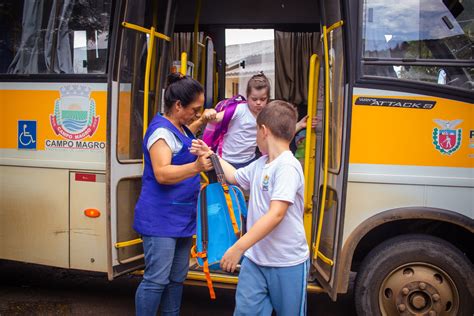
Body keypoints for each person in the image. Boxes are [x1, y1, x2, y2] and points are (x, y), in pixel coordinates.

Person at [191, 100, 309, 316]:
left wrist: (238, 248)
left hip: (287, 262)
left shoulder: (287, 167)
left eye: (255, 130)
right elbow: (235, 176)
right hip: (255, 260)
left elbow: (276, 214)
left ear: (263, 131)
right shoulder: (261, 164)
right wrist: (211, 154)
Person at [133, 73, 213, 316]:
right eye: (195, 109)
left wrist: (202, 124)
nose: (197, 115)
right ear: (178, 105)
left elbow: (187, 132)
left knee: (177, 278)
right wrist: (197, 167)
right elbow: (162, 173)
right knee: (156, 280)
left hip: (181, 218)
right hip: (160, 219)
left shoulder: (180, 127)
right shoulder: (160, 133)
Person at [203, 72, 316, 169]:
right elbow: (215, 119)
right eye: (254, 99)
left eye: (263, 99)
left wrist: (300, 125)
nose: (258, 103)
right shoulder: (239, 110)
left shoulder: (267, 115)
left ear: (268, 98)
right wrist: (209, 113)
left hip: (249, 161)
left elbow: (279, 134)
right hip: (226, 160)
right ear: (247, 96)